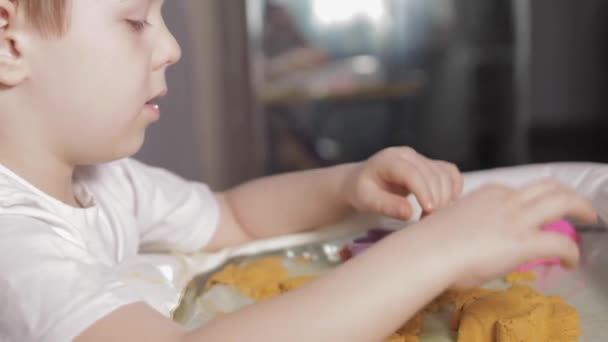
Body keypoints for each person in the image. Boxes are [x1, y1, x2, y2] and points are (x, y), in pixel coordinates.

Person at [0, 1, 599, 341]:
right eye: (136, 21)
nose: (171, 47)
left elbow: (231, 215)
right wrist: (432, 254)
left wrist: (347, 183)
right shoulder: (13, 245)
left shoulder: (109, 183)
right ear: (9, 44)